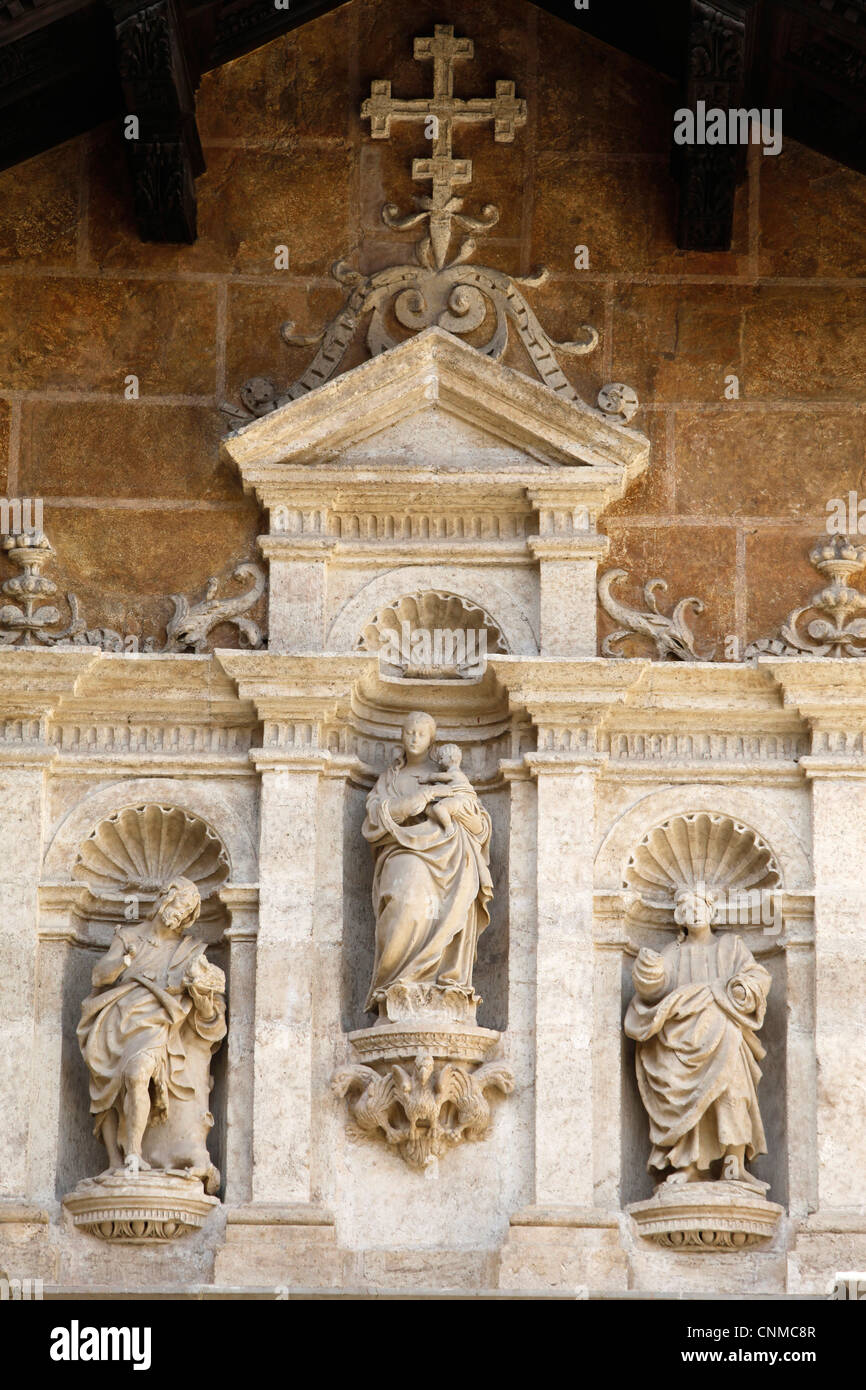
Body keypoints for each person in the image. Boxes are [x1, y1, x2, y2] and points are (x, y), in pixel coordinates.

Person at [77, 876, 226, 1175]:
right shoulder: (129, 937)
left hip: (156, 1021)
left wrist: (201, 994)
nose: (179, 915)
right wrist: (124, 962)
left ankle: (135, 1154)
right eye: (179, 905)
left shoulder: (188, 951)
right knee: (107, 1086)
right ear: (164, 898)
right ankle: (115, 1162)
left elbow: (211, 1013)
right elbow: (99, 976)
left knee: (136, 1073)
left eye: (187, 911)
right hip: (115, 1018)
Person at [624, 887, 771, 1189]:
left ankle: (733, 1160)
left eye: (699, 908)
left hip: (725, 1035)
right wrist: (648, 973)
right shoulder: (673, 954)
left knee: (732, 1090)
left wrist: (743, 987)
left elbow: (757, 975)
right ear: (680, 917)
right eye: (687, 910)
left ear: (710, 912)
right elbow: (656, 990)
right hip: (680, 1042)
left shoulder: (731, 947)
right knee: (684, 1095)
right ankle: (689, 1165)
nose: (694, 914)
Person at [362, 711, 493, 1014]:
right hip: (403, 852)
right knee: (408, 897)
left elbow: (480, 824)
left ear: (432, 739)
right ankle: (396, 982)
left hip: (450, 853)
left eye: (421, 733)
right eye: (409, 732)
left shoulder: (451, 777)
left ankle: (445, 983)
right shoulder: (391, 779)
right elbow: (373, 819)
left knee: (453, 900)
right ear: (401, 736)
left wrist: (459, 813)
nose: (415, 738)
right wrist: (410, 805)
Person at [423, 742, 479, 831]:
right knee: (430, 809)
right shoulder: (455, 775)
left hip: (461, 800)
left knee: (439, 807)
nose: (439, 762)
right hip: (460, 800)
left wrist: (426, 778)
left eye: (441, 758)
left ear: (451, 758)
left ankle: (449, 827)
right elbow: (445, 788)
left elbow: (435, 776)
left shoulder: (454, 773)